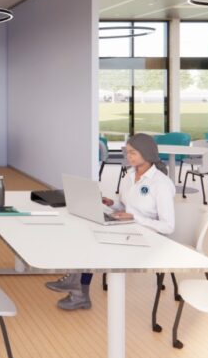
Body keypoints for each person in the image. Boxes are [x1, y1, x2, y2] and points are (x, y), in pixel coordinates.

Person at [46, 133, 175, 310]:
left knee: (94, 242)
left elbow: (168, 226)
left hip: (148, 237)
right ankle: (77, 290)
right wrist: (112, 203)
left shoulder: (161, 184)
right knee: (86, 231)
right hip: (128, 228)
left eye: (133, 153)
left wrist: (134, 218)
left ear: (147, 153)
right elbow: (126, 205)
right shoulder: (130, 175)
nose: (128, 156)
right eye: (127, 152)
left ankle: (77, 290)